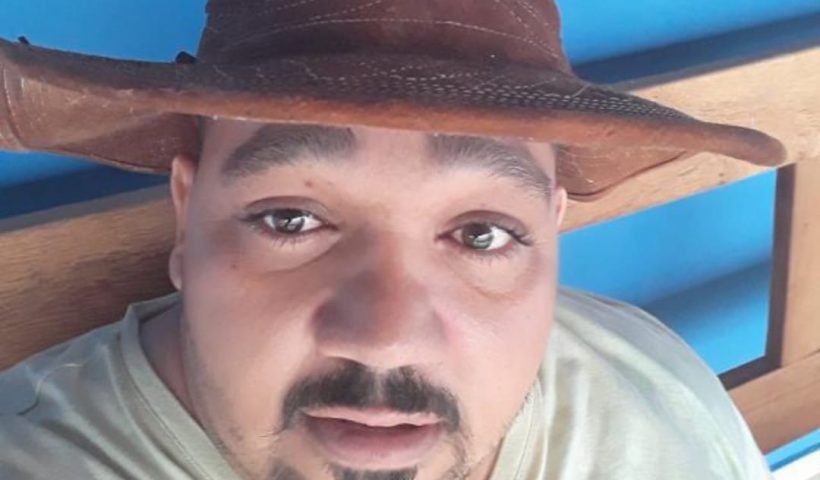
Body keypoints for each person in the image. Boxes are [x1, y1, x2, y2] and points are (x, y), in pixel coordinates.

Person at [0, 1, 784, 479]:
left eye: (481, 233)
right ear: (186, 216)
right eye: (290, 220)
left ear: (552, 230)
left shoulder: (656, 390)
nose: (386, 339)